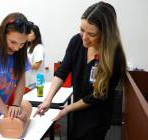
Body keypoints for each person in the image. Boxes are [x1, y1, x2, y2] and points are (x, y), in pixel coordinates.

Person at [34, 1, 127, 140]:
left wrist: (67, 109)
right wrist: (48, 100)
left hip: (97, 116)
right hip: (77, 111)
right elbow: (62, 72)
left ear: (105, 34)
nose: (84, 38)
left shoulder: (114, 56)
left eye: (91, 34)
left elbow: (97, 96)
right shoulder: (76, 42)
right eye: (82, 30)